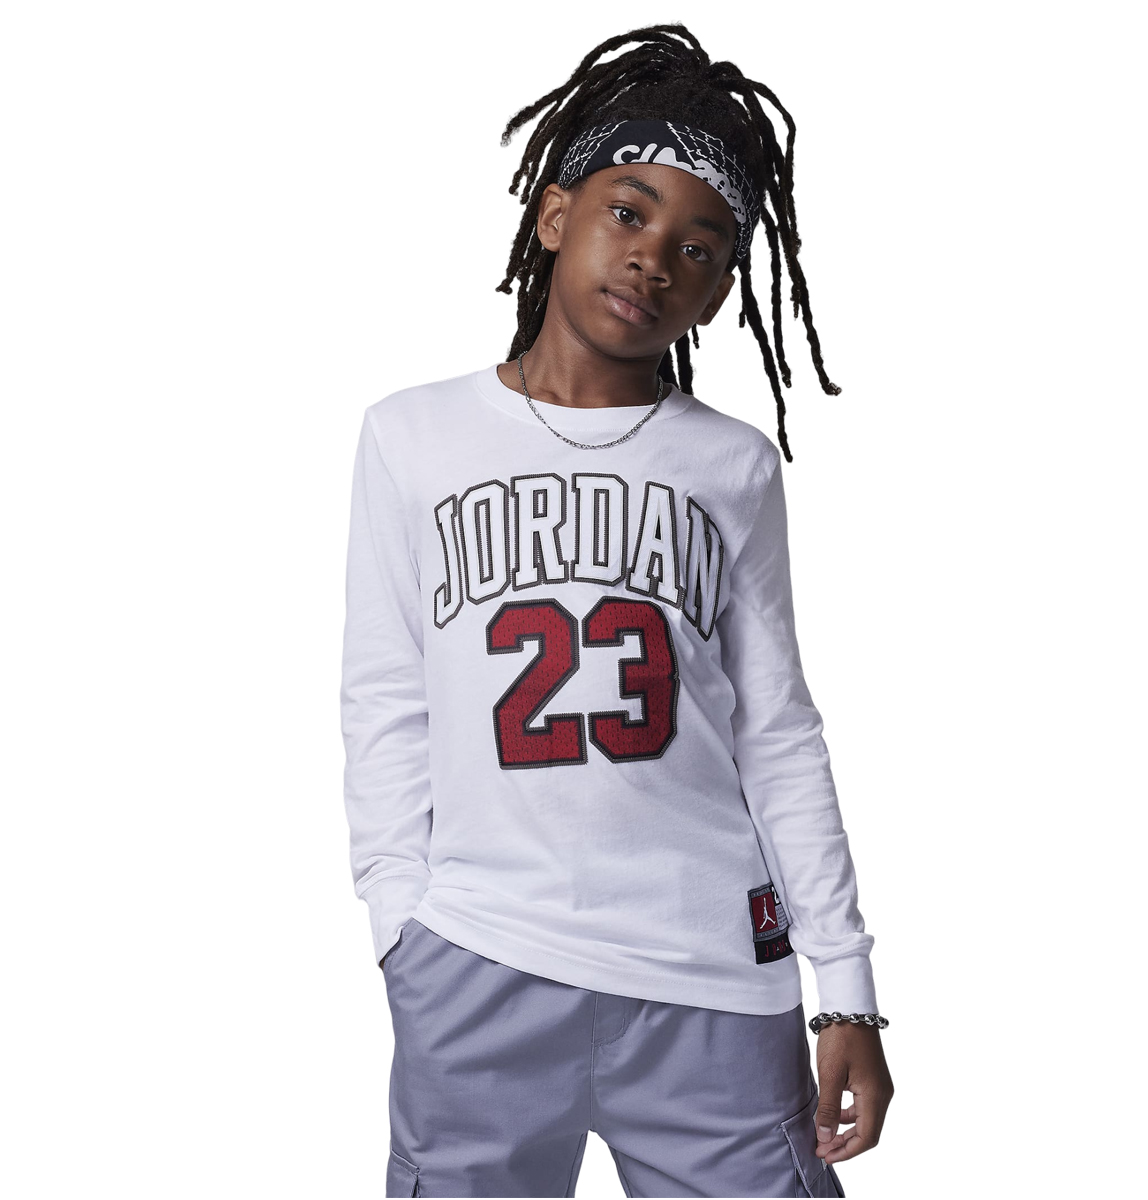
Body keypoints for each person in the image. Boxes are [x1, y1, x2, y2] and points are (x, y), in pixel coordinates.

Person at [340, 23, 894, 1198]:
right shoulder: (412, 437)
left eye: (699, 248)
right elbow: (386, 695)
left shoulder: (732, 466)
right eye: (628, 214)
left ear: (722, 290)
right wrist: (401, 920)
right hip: (479, 961)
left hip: (710, 975)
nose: (654, 260)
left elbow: (777, 730)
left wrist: (846, 988)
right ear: (555, 215)